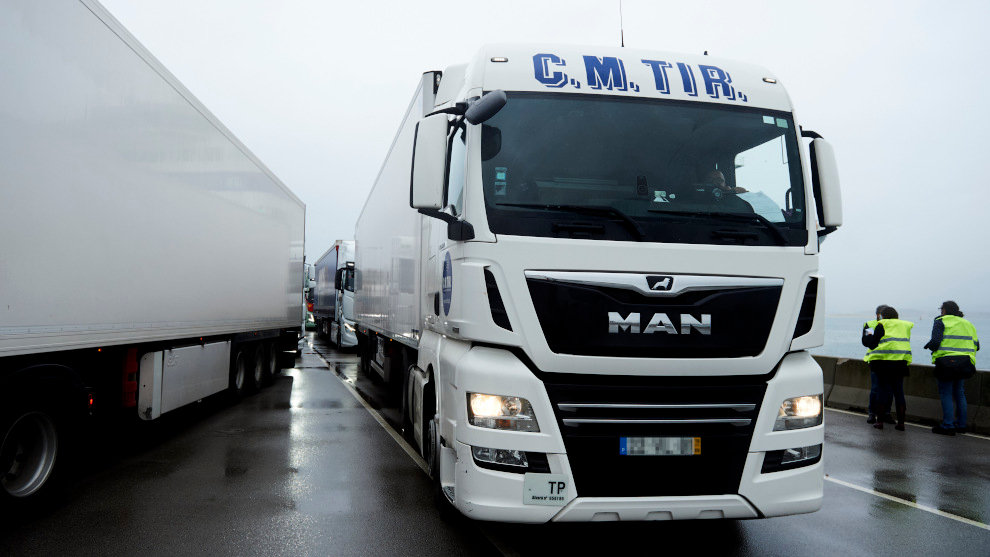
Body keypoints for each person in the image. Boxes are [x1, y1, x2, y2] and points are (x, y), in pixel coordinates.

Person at [924, 301, 980, 435]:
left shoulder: (940, 321)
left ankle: (948, 426)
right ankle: (961, 425)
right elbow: (977, 345)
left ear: (944, 310)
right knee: (959, 393)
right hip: (965, 363)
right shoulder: (968, 324)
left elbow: (936, 341)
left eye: (941, 309)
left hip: (946, 363)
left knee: (946, 393)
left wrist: (928, 346)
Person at [862, 305, 912, 430]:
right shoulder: (904, 325)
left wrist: (872, 338)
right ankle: (901, 423)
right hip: (900, 363)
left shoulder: (880, 324)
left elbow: (871, 343)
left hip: (883, 363)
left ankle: (880, 421)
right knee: (899, 392)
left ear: (882, 315)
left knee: (882, 391)